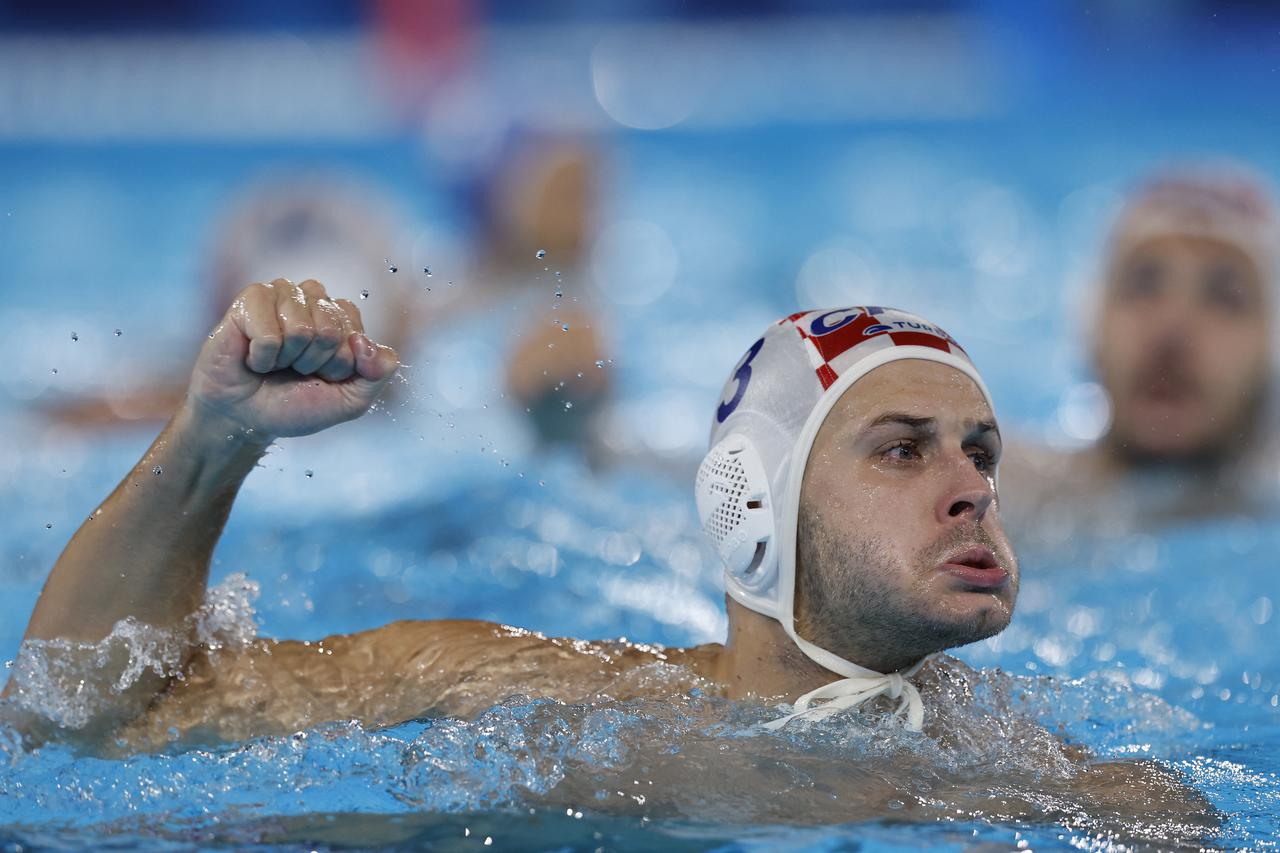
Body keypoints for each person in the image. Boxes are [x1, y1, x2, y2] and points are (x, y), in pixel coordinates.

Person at [2, 283, 1207, 830]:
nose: (969, 489)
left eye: (978, 451)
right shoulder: (501, 686)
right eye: (900, 452)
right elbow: (78, 718)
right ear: (753, 510)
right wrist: (213, 440)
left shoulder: (1074, 785)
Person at [1002, 167, 1280, 539]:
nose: (1171, 327)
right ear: (1092, 328)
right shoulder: (995, 493)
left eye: (1224, 296)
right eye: (1143, 284)